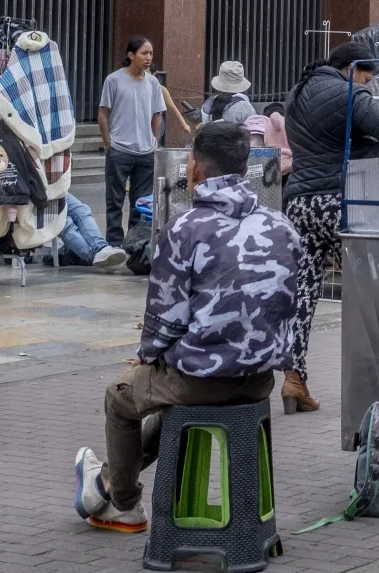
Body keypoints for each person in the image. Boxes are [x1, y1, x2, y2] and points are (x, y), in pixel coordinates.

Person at [74, 123, 301, 534]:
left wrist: (147, 356)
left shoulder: (184, 228)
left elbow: (164, 321)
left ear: (194, 167)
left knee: (121, 397)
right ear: (246, 166)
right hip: (260, 379)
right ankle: (107, 480)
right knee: (169, 405)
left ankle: (123, 502)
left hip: (202, 374)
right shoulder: (281, 226)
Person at [281, 40, 379, 414]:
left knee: (304, 292)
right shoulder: (346, 93)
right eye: (366, 76)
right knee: (376, 284)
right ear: (352, 68)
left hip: (299, 204)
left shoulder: (299, 91)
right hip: (338, 201)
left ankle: (294, 379)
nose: (369, 84)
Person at [97, 36, 166, 250]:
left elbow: (158, 114)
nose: (148, 58)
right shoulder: (114, 80)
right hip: (120, 150)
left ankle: (134, 243)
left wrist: (154, 141)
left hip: (145, 151)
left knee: (141, 202)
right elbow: (103, 113)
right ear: (131, 55)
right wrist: (108, 143)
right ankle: (114, 244)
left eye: (151, 53)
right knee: (114, 201)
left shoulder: (153, 82)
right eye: (144, 53)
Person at [48, 195, 129, 269]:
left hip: (54, 189)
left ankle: (102, 248)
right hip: (38, 193)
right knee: (64, 221)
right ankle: (97, 256)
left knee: (82, 210)